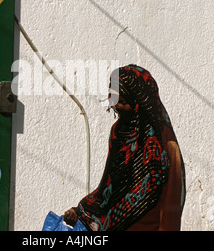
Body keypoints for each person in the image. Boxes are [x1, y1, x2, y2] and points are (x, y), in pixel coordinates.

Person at [64, 64, 185, 231]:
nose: (117, 107)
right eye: (113, 100)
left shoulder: (163, 139)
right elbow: (108, 187)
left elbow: (171, 200)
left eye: (123, 102)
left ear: (140, 102)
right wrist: (81, 211)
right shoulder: (118, 132)